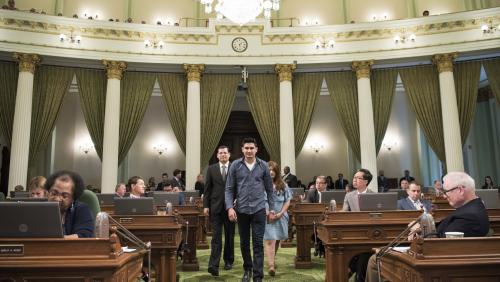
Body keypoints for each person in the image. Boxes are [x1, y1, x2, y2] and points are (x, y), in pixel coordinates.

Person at [365, 171, 490, 282]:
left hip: (436, 268)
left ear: (461, 190)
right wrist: (421, 228)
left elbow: (441, 247)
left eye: (446, 192)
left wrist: (418, 238)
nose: (444, 196)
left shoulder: (470, 215)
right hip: (436, 260)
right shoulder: (471, 208)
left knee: (375, 259)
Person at [225, 137, 275, 282]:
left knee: (258, 243)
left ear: (256, 149)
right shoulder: (235, 165)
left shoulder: (263, 165)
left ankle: (258, 275)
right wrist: (229, 208)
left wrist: (271, 209)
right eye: (246, 148)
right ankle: (248, 270)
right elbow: (229, 189)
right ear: (242, 149)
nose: (249, 151)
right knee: (244, 243)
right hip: (241, 209)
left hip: (259, 209)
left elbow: (270, 190)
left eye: (251, 148)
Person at [204, 146, 235, 276]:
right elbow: (207, 189)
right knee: (216, 237)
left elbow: (239, 186)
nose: (223, 155)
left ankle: (228, 260)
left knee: (229, 236)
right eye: (220, 153)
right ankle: (213, 265)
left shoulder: (235, 167)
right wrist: (206, 206)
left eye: (225, 153)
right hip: (215, 207)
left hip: (231, 208)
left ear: (229, 155)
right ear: (217, 155)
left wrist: (236, 201)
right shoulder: (211, 169)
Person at [45, 170, 94, 238]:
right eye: (54, 193)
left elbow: (84, 235)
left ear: (73, 198)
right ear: (47, 193)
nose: (57, 199)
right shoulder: (40, 209)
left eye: (64, 196)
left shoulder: (82, 209)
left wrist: (58, 240)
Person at [264, 161, 292, 277]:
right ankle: (271, 265)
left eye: (273, 170)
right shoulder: (261, 184)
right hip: (266, 215)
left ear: (276, 171)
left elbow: (287, 200)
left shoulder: (283, 185)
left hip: (280, 215)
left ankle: (272, 260)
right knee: (270, 240)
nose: (271, 172)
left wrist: (281, 213)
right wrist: (267, 212)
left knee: (277, 240)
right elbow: (259, 200)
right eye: (269, 169)